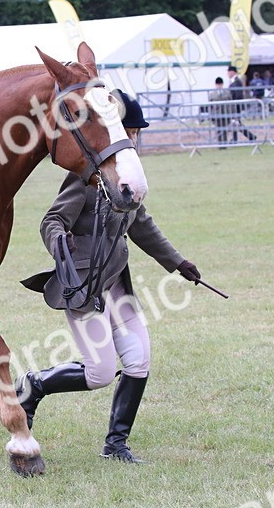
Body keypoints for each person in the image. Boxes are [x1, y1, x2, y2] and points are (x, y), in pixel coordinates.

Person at [17, 95, 201, 463]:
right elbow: (51, 221)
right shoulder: (86, 177)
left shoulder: (126, 179)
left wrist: (178, 262)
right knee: (99, 372)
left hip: (117, 281)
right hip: (85, 283)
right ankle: (33, 386)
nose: (132, 139)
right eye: (128, 131)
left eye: (135, 132)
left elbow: (141, 224)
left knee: (138, 359)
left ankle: (116, 445)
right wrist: (62, 250)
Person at [207, 77, 232, 145]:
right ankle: (220, 144)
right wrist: (211, 115)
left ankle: (224, 143)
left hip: (226, 114)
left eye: (220, 84)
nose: (219, 86)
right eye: (218, 84)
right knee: (218, 129)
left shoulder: (227, 93)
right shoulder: (212, 94)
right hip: (217, 115)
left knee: (224, 129)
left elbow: (231, 103)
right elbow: (210, 106)